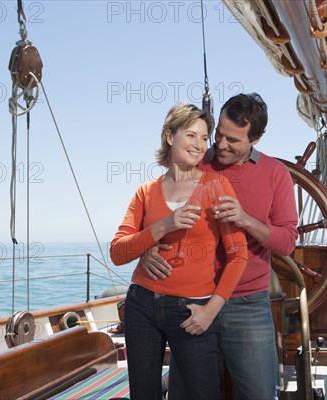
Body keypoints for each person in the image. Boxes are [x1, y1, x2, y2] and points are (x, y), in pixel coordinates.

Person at [141, 93, 298, 399]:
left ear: (256, 138)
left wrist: (245, 220)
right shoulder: (194, 161)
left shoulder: (275, 174)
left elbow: (287, 243)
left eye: (233, 141)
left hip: (247, 304)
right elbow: (156, 216)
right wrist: (147, 248)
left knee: (261, 395)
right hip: (190, 299)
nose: (220, 146)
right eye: (219, 135)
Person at [110, 103, 248, 400]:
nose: (200, 146)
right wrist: (162, 226)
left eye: (204, 138)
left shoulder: (217, 186)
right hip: (141, 306)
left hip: (192, 311)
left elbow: (239, 255)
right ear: (169, 136)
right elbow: (118, 253)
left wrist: (211, 311)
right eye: (191, 135)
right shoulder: (145, 192)